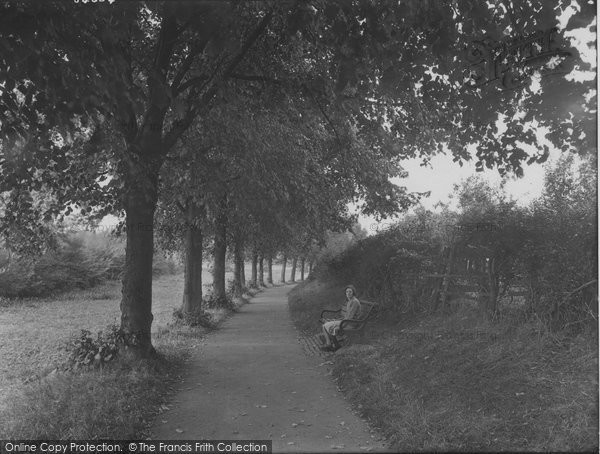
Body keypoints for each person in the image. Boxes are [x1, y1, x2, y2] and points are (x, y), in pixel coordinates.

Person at [319, 284, 361, 351]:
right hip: (345, 321)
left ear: (353, 292)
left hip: (351, 323)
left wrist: (340, 324)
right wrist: (338, 321)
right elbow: (347, 315)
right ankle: (329, 344)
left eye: (350, 291)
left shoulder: (354, 302)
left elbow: (350, 317)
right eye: (347, 292)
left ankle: (335, 345)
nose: (348, 293)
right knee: (324, 326)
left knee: (329, 326)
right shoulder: (350, 300)